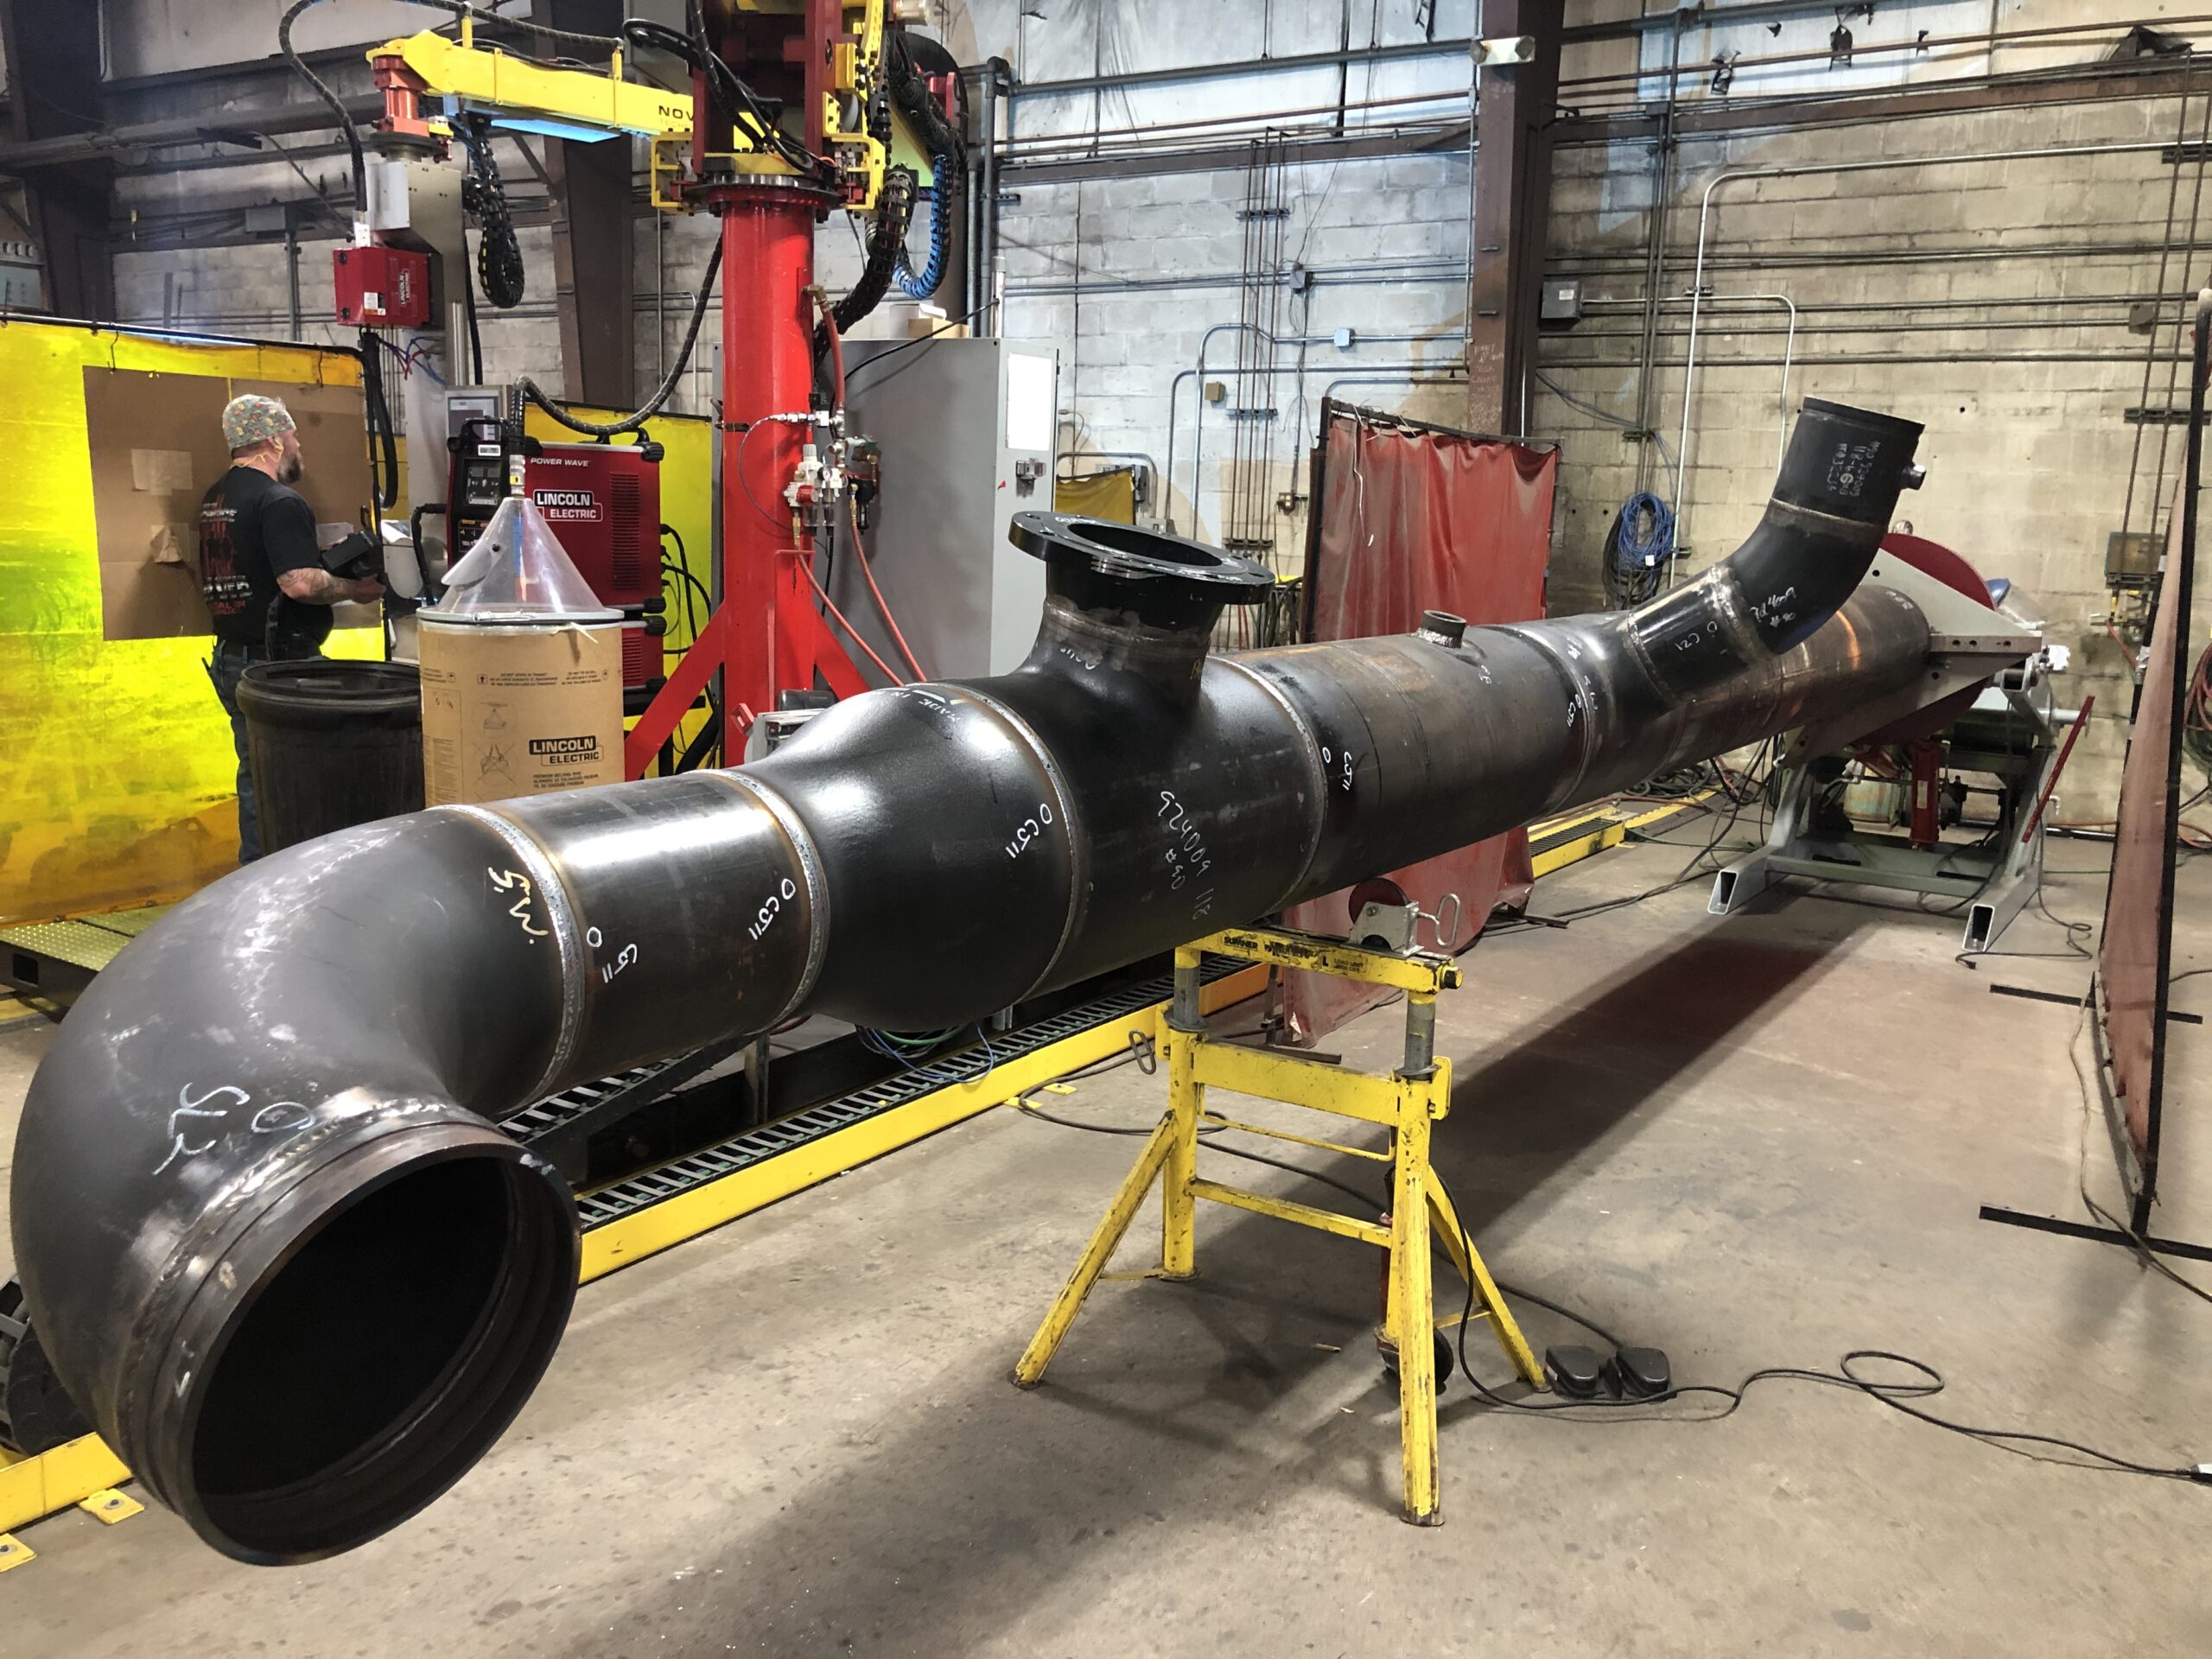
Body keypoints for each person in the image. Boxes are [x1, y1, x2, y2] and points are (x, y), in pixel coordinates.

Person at [199, 394, 383, 862]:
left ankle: (254, 878)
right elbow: (298, 583)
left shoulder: (216, 498)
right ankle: (296, 881)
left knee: (258, 777)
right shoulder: (279, 500)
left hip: (232, 658)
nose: (299, 443)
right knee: (308, 779)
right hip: (282, 664)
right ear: (275, 440)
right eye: (295, 434)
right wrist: (352, 588)